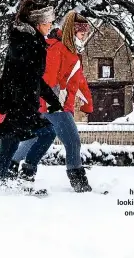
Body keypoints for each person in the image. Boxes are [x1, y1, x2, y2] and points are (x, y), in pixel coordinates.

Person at [0, 0, 63, 186]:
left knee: (10, 145)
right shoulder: (25, 43)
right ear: (38, 23)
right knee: (43, 134)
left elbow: (33, 78)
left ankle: (1, 186)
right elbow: (16, 77)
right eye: (48, 22)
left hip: (20, 103)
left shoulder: (32, 41)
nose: (51, 26)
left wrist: (53, 100)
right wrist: (4, 105)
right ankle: (11, 181)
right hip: (14, 104)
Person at [39, 11, 94, 192]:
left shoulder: (73, 52)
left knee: (35, 139)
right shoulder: (58, 48)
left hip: (61, 105)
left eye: (85, 31)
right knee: (73, 142)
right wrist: (53, 102)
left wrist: (87, 102)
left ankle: (14, 169)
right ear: (72, 31)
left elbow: (80, 81)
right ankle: (78, 181)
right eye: (80, 31)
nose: (83, 34)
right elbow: (48, 78)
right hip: (55, 105)